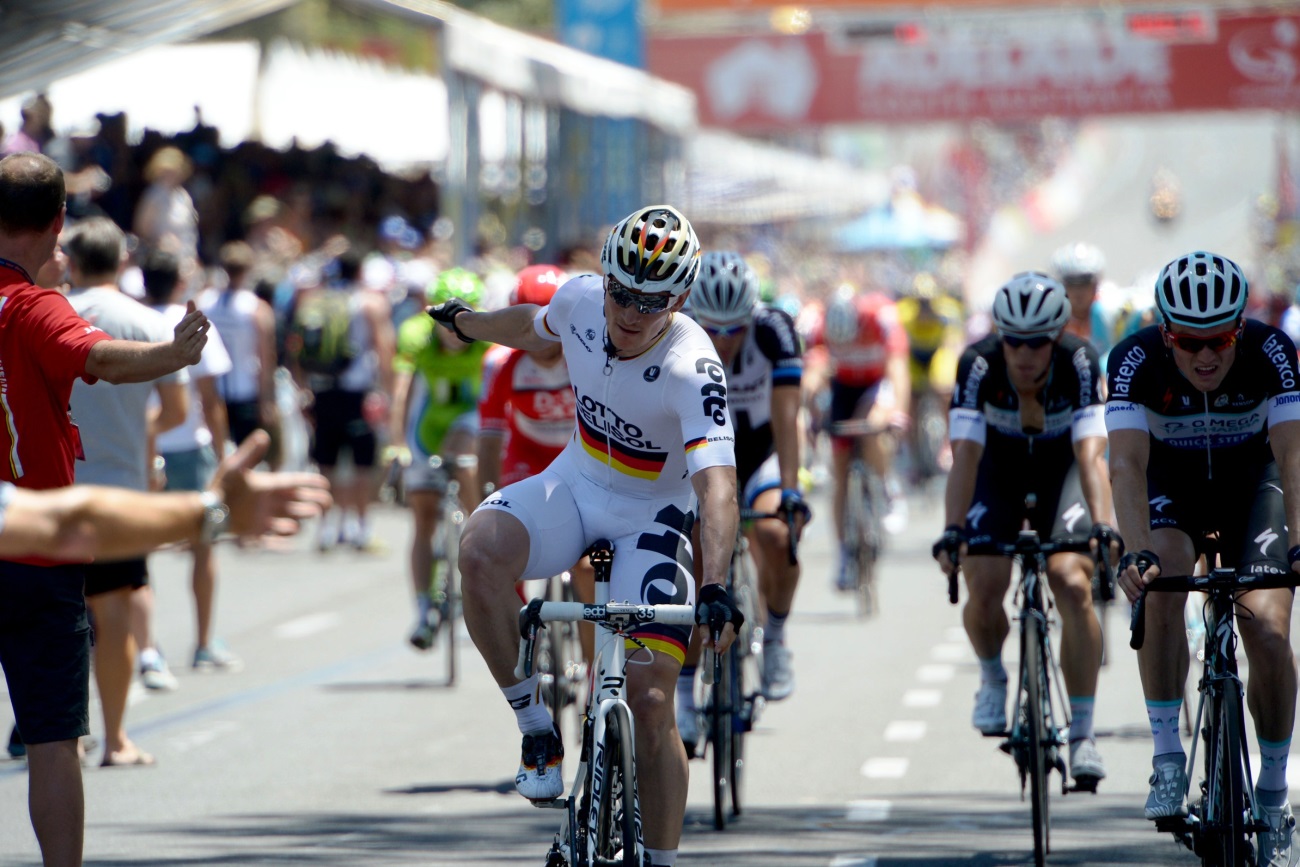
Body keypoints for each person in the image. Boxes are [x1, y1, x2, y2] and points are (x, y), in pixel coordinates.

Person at [428, 204, 741, 867]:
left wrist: (715, 584)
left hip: (653, 517)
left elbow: (717, 486)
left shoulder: (693, 367)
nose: (630, 312)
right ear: (604, 277)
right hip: (575, 484)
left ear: (681, 297)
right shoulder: (578, 300)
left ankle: (661, 860)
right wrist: (469, 323)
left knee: (650, 700)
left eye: (652, 301)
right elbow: (531, 327)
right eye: (620, 292)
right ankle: (535, 727)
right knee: (478, 549)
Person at [0, 151, 208, 867]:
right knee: (54, 740)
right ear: (59, 221)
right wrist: (175, 353)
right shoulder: (35, 307)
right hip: (39, 549)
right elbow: (104, 360)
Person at [1108, 252, 1300, 863]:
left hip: (1255, 487)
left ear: (1240, 328)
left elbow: (1294, 455)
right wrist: (1134, 550)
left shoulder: (1273, 351)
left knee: (1266, 629)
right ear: (1166, 334)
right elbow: (1126, 464)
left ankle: (1273, 794)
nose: (1206, 355)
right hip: (1173, 487)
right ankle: (1168, 757)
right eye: (1190, 342)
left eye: (1220, 339)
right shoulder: (1133, 360)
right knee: (1161, 581)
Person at [933, 272, 1117, 791]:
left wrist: (1103, 526)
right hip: (997, 473)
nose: (1025, 354)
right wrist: (952, 529)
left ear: (1057, 337)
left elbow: (1091, 455)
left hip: (1063, 475)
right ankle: (993, 675)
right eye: (1014, 341)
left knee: (1073, 582)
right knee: (986, 582)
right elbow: (965, 456)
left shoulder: (1080, 361)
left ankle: (1082, 733)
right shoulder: (978, 364)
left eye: (1037, 343)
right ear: (1001, 336)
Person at [65, 217, 192, 766]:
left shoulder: (49, 313)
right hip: (121, 490)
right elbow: (177, 411)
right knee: (114, 610)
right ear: (122, 262)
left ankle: (61, 733)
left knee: (58, 615)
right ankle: (115, 738)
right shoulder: (146, 320)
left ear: (70, 261)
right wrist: (139, 437)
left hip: (54, 488)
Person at [675, 251, 810, 756]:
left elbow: (788, 417)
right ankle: (684, 696)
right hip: (700, 458)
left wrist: (790, 491)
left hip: (759, 453)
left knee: (776, 533)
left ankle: (774, 637)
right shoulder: (677, 329)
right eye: (713, 328)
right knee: (693, 560)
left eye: (734, 329)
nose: (724, 339)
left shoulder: (774, 330)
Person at [143, 249, 243, 674]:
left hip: (145, 445)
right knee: (204, 547)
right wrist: (223, 455)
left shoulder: (133, 320)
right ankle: (203, 643)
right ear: (180, 282)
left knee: (139, 550)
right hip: (189, 447)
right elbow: (210, 398)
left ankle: (147, 648)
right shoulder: (191, 321)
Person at [391, 266, 489, 650]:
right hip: (426, 429)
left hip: (469, 424)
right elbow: (401, 390)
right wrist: (396, 442)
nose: (453, 330)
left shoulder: (488, 339)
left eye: (463, 318)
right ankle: (422, 611)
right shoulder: (416, 335)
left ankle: (481, 534)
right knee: (422, 519)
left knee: (464, 448)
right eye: (444, 320)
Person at [287, 249, 394, 551]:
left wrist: (302, 387)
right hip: (358, 391)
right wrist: (386, 393)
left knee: (326, 463)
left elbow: (295, 347)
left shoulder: (315, 301)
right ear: (360, 272)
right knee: (361, 464)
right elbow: (384, 348)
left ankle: (326, 527)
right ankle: (360, 527)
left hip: (323, 390)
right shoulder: (370, 303)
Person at [805, 285, 911, 590]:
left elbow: (898, 369)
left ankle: (887, 485)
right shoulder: (818, 326)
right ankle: (843, 554)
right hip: (843, 388)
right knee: (840, 473)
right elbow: (812, 375)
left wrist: (898, 413)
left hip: (876, 385)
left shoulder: (881, 316)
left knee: (873, 426)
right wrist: (811, 412)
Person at [197, 241, 279, 453]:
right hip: (245, 390)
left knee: (216, 453)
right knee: (246, 455)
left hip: (212, 392)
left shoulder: (204, 301)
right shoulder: (256, 308)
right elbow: (266, 357)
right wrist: (267, 399)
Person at [1051, 242, 1113, 372]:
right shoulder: (1051, 316)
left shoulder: (1110, 310)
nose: (1078, 291)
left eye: (1085, 283)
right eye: (1071, 284)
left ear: (1096, 284)